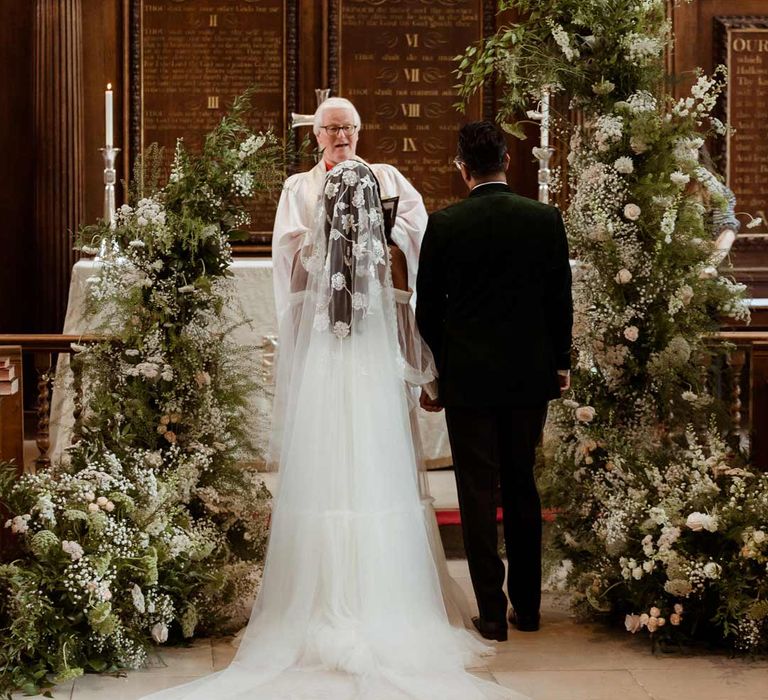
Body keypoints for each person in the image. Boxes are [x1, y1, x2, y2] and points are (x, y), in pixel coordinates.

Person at [140, 160, 525, 700]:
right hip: (371, 388)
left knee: (326, 484)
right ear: (373, 208)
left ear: (324, 209)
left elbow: (293, 324)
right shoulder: (387, 259)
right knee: (374, 482)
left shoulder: (307, 260)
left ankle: (312, 601)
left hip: (325, 382)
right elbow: (407, 329)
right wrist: (427, 381)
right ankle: (384, 599)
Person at [416, 122, 573, 641]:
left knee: (477, 491)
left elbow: (427, 312)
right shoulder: (543, 218)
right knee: (522, 484)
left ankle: (490, 611)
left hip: (469, 380)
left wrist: (441, 368)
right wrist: (559, 362)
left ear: (463, 168)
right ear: (507, 159)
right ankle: (528, 608)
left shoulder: (446, 224)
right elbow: (558, 300)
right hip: (528, 375)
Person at [272, 96, 427, 322]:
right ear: (318, 135)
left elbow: (417, 228)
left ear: (358, 132)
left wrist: (372, 237)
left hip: (378, 300)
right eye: (333, 128)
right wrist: (334, 241)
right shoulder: (298, 187)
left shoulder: (387, 177)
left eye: (348, 128)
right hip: (321, 306)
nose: (342, 136)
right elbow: (288, 246)